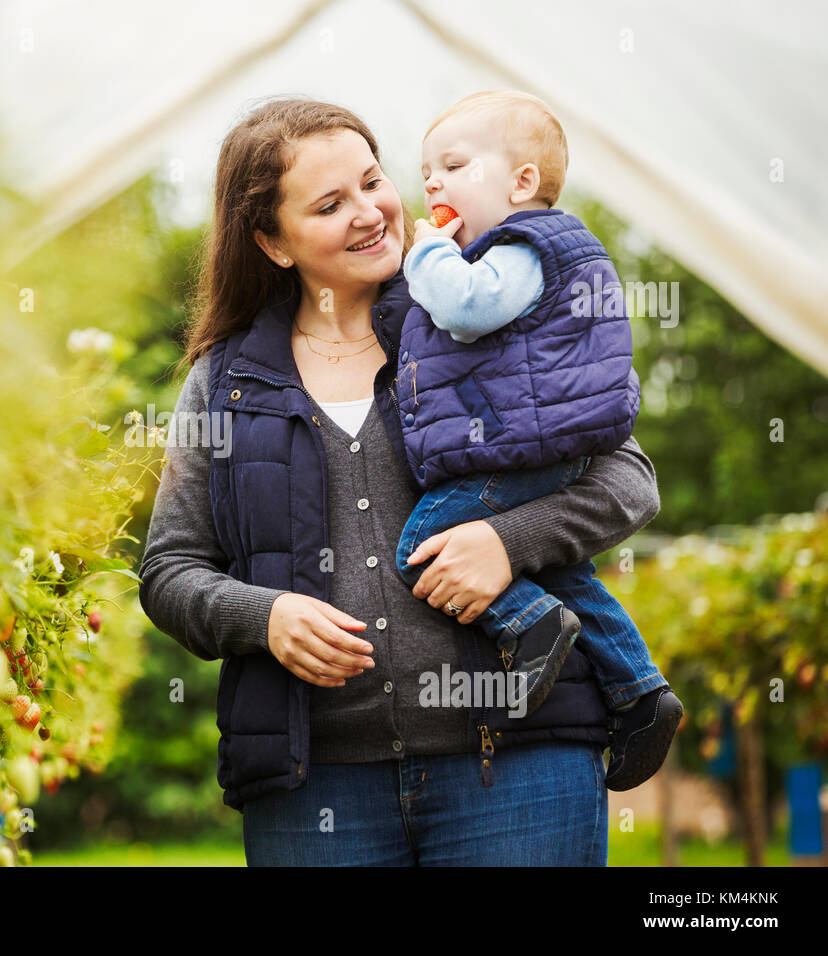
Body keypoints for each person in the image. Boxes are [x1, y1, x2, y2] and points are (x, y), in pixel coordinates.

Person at [138, 97, 662, 866]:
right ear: (273, 243)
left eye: (372, 181)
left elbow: (628, 475)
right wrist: (265, 615)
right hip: (315, 786)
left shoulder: (477, 313)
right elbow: (169, 572)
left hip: (517, 765)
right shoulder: (225, 385)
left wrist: (505, 542)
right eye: (329, 204)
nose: (370, 212)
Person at [391, 90, 682, 791]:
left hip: (525, 450)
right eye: (426, 170)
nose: (432, 182)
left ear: (522, 183)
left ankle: (529, 625)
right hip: (546, 448)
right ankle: (641, 694)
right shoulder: (535, 250)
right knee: (565, 572)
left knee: (418, 547)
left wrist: (426, 251)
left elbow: (467, 309)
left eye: (454, 165)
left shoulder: (523, 245)